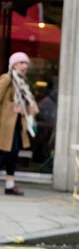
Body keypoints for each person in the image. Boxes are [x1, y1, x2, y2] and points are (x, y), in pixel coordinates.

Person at [0, 52, 39, 196]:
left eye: (26, 63)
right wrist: (12, 107)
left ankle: (10, 185)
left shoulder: (22, 82)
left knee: (13, 153)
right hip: (5, 125)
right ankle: (9, 185)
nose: (25, 66)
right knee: (6, 153)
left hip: (16, 125)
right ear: (14, 64)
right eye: (22, 63)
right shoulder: (7, 78)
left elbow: (22, 103)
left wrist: (31, 108)